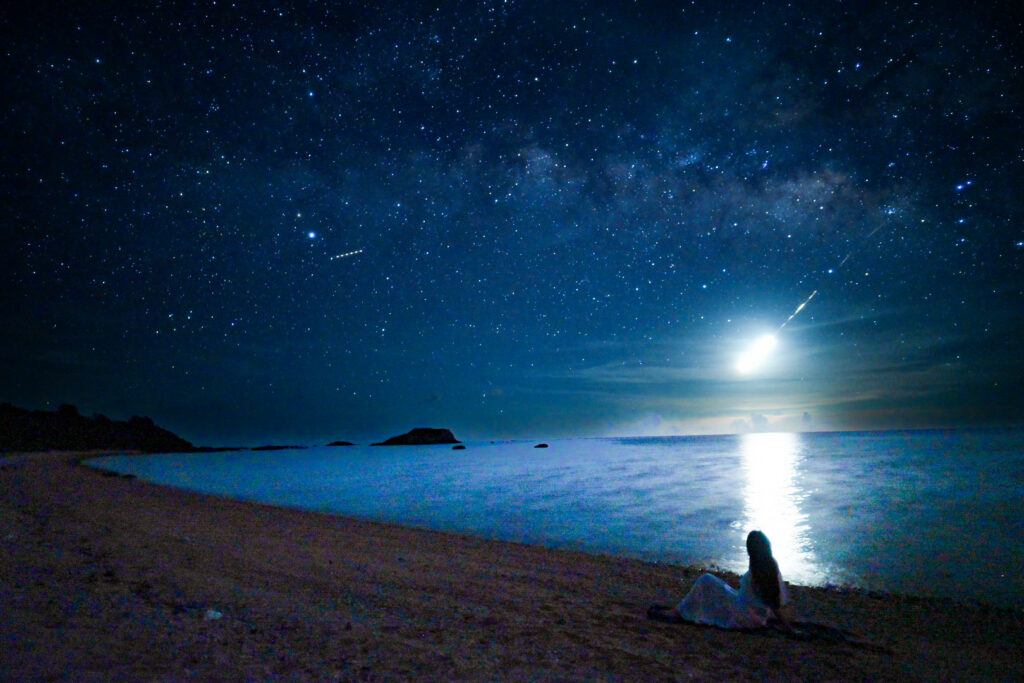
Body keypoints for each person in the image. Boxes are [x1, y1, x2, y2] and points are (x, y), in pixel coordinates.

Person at [649, 530, 792, 630]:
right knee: (718, 587)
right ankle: (681, 610)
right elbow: (773, 603)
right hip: (758, 618)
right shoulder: (770, 567)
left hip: (743, 617)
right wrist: (787, 627)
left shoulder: (756, 570)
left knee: (706, 580)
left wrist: (789, 629)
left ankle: (677, 612)